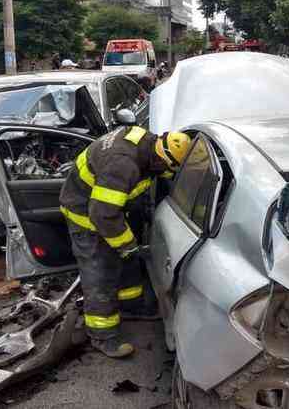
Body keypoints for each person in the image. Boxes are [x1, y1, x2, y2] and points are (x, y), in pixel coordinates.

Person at [59, 126, 191, 358]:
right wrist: (127, 246)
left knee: (127, 262)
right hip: (87, 216)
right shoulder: (122, 165)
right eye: (167, 168)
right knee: (100, 272)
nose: (167, 173)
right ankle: (102, 336)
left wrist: (129, 249)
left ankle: (132, 307)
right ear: (161, 158)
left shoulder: (149, 144)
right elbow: (102, 214)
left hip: (110, 211)